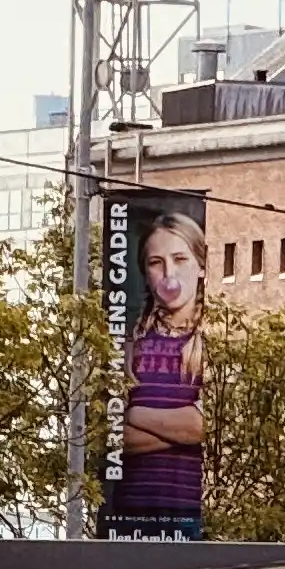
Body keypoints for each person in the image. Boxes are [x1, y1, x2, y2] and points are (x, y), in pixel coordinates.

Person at [113, 207, 209, 529]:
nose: (169, 274)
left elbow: (208, 428)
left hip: (194, 519)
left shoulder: (217, 342)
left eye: (180, 259)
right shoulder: (128, 347)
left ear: (200, 266)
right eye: (156, 263)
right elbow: (111, 438)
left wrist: (134, 414)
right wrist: (183, 429)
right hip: (130, 519)